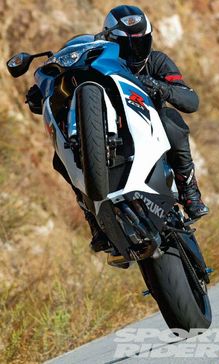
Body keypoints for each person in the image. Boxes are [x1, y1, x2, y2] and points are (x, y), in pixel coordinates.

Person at [26, 5, 209, 252]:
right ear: (110, 40)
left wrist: (158, 86)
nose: (135, 50)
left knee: (172, 121)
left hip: (151, 134)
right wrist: (41, 90)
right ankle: (95, 222)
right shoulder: (101, 61)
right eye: (127, 44)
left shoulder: (156, 61)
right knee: (60, 158)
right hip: (108, 137)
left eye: (141, 42)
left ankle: (190, 194)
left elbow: (191, 100)